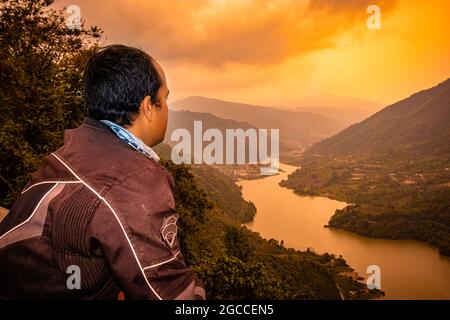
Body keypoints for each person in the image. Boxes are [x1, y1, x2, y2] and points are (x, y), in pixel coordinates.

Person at [0, 45, 205, 300]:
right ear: (148, 107)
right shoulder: (134, 182)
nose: (167, 107)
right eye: (165, 98)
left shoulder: (71, 151)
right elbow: (171, 294)